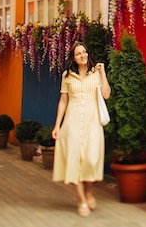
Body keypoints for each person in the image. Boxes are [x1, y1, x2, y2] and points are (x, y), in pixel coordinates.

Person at [52, 41, 111, 217]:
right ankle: (81, 200)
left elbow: (106, 95)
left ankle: (88, 190)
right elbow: (63, 101)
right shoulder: (67, 76)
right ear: (74, 58)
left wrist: (103, 73)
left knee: (92, 160)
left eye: (84, 52)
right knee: (74, 161)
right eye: (78, 54)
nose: (82, 55)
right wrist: (57, 125)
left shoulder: (96, 74)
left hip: (93, 123)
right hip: (72, 122)